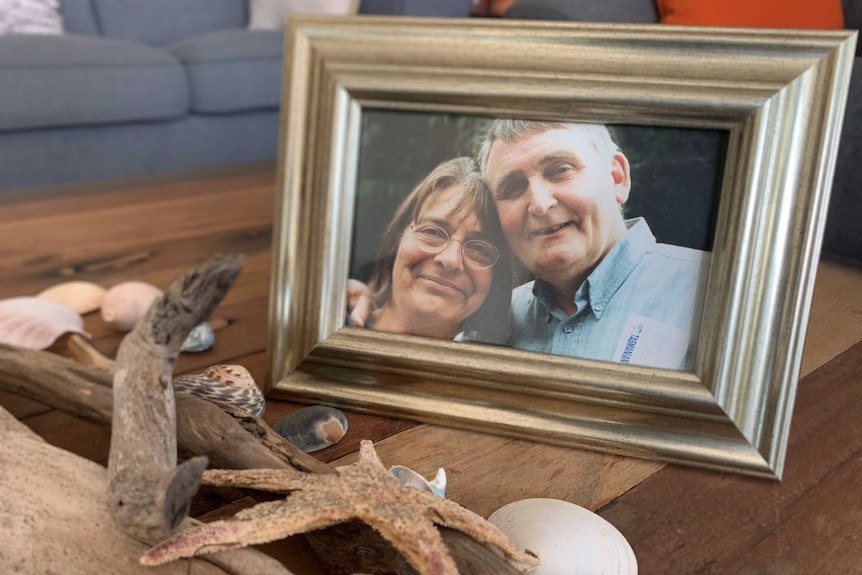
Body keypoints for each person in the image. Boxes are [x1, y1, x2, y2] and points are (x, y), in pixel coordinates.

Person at [477, 119, 710, 370]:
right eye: (513, 187)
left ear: (616, 178)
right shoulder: (498, 320)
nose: (540, 204)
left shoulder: (712, 291)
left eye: (561, 170)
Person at [349, 156, 514, 344]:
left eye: (478, 248)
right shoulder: (330, 322)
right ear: (398, 239)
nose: (451, 260)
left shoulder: (489, 368)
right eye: (432, 232)